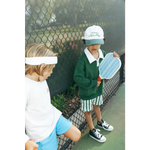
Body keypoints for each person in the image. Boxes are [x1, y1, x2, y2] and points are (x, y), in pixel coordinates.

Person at [22, 43, 81, 150]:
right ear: (42, 67)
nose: (52, 72)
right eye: (51, 69)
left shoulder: (39, 77)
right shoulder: (24, 88)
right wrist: (25, 141)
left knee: (76, 135)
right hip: (40, 133)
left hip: (53, 117)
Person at [73, 25, 119, 143]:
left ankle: (100, 121)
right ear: (85, 42)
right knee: (88, 111)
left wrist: (115, 59)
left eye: (97, 43)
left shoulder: (103, 53)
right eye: (91, 43)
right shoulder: (82, 60)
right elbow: (77, 77)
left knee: (97, 106)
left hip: (98, 90)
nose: (94, 46)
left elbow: (108, 66)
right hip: (87, 92)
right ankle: (92, 130)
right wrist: (93, 83)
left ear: (102, 41)